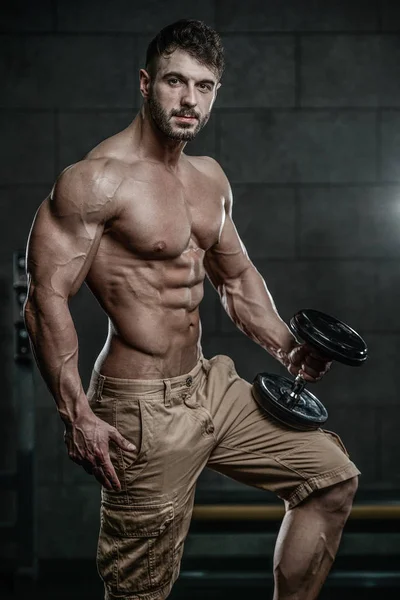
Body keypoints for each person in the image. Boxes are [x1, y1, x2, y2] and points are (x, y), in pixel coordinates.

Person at [24, 19, 360, 600]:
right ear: (145, 82)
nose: (188, 99)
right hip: (140, 410)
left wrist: (287, 345)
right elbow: (45, 299)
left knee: (330, 478)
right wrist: (74, 413)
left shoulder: (209, 180)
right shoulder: (96, 181)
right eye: (175, 82)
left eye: (203, 86)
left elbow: (236, 278)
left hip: (207, 385)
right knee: (142, 588)